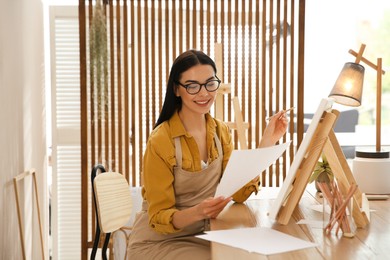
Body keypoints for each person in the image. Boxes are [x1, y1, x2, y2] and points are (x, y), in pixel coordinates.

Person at [127, 49, 288, 260]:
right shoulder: (161, 140)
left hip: (204, 234)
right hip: (159, 242)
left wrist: (267, 142)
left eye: (210, 83)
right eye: (192, 86)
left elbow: (239, 194)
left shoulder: (221, 132)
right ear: (177, 89)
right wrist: (198, 212)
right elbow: (158, 218)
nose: (204, 93)